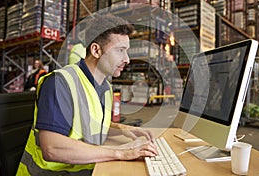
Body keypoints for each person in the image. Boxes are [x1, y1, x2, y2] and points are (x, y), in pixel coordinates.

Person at [17, 14, 157, 175]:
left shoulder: (105, 87)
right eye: (120, 51)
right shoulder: (61, 83)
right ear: (96, 50)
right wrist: (121, 153)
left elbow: (90, 125)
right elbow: (52, 148)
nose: (127, 59)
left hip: (85, 168)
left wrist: (123, 129)